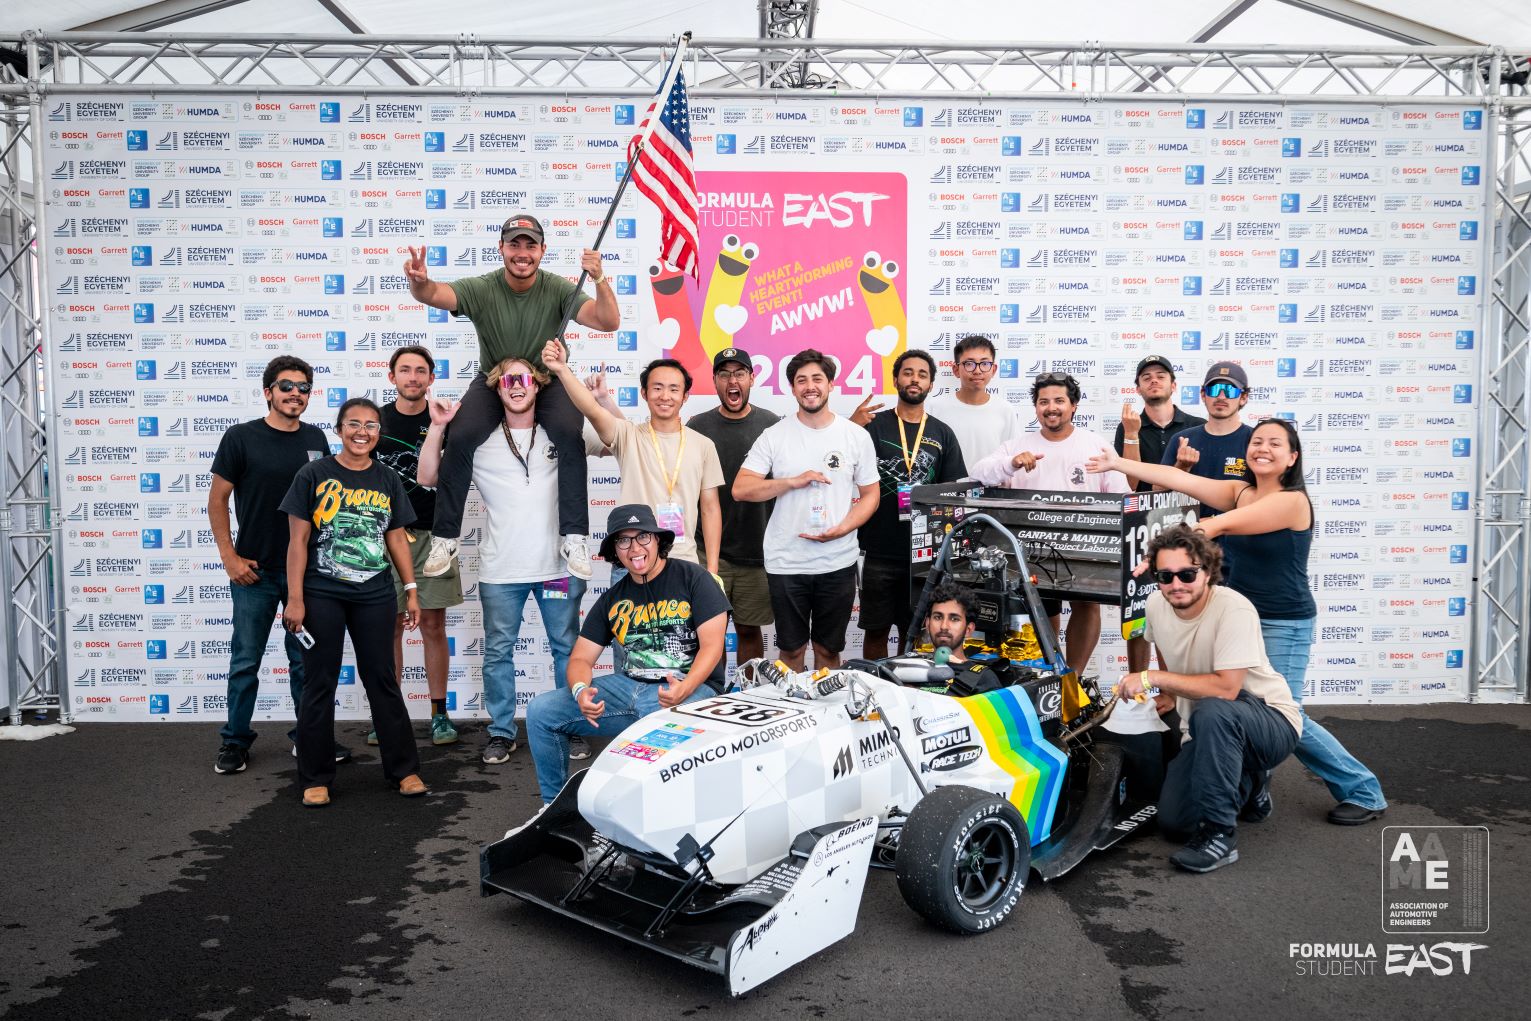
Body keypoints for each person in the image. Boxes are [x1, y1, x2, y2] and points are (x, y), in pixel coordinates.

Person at [1088, 419, 1389, 826]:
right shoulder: (1239, 491)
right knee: (1235, 710)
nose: (1262, 448)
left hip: (1282, 621)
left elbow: (1222, 523)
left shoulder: (1293, 501)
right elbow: (1175, 476)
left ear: (1292, 457)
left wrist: (1183, 539)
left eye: (1275, 444)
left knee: (1282, 713)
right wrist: (1118, 462)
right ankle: (1252, 789)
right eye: (1257, 441)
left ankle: (1362, 789)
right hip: (1235, 617)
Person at [402, 214, 620, 581]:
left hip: (548, 380)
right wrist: (419, 283)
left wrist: (598, 278)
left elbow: (608, 321)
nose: (522, 253)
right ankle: (445, 537)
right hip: (494, 379)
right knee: (462, 433)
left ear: (542, 250)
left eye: (530, 245)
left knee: (569, 433)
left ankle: (575, 537)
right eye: (514, 244)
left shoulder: (559, 289)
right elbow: (434, 294)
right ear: (501, 248)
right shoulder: (483, 287)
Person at [417, 357, 586, 766]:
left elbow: (611, 440)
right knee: (498, 653)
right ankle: (502, 731)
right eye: (507, 379)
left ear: (537, 386)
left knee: (566, 649)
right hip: (500, 570)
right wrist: (439, 427)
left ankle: (570, 726)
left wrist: (597, 400)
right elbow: (426, 478)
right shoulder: (476, 440)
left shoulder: (560, 433)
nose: (516, 385)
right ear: (496, 388)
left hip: (558, 569)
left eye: (524, 378)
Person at [1115, 526, 1300, 873]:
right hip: (1207, 728)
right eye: (1165, 576)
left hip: (1270, 721)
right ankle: (1252, 782)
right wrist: (1168, 691)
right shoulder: (1156, 603)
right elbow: (1164, 645)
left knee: (1215, 710)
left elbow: (1227, 689)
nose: (1176, 584)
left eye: (1187, 574)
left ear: (1207, 571)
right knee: (1174, 823)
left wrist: (1154, 678)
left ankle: (1220, 837)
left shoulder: (1234, 608)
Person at [523, 505, 729, 803]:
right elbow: (580, 658)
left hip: (693, 688)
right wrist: (581, 691)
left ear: (658, 541)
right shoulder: (613, 598)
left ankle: (659, 816)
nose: (634, 548)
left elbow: (713, 646)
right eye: (623, 540)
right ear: (615, 551)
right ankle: (554, 811)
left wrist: (686, 687)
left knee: (656, 727)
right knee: (542, 711)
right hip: (629, 687)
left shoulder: (694, 578)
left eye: (643, 536)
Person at [279, 398, 426, 807]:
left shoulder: (387, 478)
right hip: (322, 591)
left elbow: (396, 536)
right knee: (319, 681)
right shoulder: (313, 474)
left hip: (375, 592)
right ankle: (315, 776)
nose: (363, 432)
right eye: (354, 424)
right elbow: (298, 541)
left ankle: (404, 770)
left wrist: (411, 590)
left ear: (379, 432)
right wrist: (295, 599)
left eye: (371, 425)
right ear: (340, 429)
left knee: (382, 678)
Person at [208, 355, 348, 775]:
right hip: (254, 571)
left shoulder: (316, 437)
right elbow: (217, 501)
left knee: (305, 660)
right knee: (245, 659)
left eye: (303, 387)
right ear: (268, 391)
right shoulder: (240, 437)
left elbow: (327, 502)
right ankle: (234, 741)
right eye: (286, 386)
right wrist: (229, 557)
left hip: (305, 574)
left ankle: (308, 737)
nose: (295, 394)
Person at [969, 371, 1130, 676]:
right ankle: (1050, 672)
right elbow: (979, 473)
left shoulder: (1095, 444)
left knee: (1087, 605)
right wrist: (1011, 463)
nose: (1051, 407)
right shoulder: (1018, 445)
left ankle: (1075, 677)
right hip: (1031, 548)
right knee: (1040, 607)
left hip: (1086, 545)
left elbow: (1122, 495)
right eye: (1044, 402)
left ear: (1074, 406)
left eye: (1059, 400)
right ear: (1036, 408)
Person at [734, 350, 880, 671]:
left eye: (817, 379)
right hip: (786, 563)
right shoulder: (775, 436)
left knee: (828, 653)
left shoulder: (855, 436)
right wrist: (791, 482)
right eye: (802, 380)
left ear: (831, 384)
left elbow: (871, 495)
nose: (809, 386)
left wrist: (842, 529)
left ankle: (829, 718)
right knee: (791, 654)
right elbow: (742, 488)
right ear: (792, 387)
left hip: (837, 562)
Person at [542, 342, 723, 571]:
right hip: (631, 561)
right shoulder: (628, 435)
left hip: (683, 562)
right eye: (657, 388)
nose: (665, 396)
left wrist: (713, 570)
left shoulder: (703, 445)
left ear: (685, 396)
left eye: (674, 389)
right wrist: (562, 369)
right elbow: (592, 410)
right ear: (644, 394)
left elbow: (710, 509)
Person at [851, 349, 967, 659]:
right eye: (908, 372)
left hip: (924, 554)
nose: (914, 379)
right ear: (896, 379)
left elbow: (954, 492)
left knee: (915, 630)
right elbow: (837, 466)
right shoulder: (872, 426)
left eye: (922, 374)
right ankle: (874, 690)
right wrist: (851, 426)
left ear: (930, 384)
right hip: (877, 549)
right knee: (875, 630)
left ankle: (910, 692)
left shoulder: (942, 433)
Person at [374, 344, 461, 747]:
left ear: (430, 378)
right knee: (388, 626)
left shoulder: (445, 420)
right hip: (382, 539)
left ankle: (439, 715)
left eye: (420, 371)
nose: (413, 377)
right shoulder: (374, 421)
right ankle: (389, 715)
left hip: (433, 535)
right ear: (392, 377)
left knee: (432, 625)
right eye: (405, 370)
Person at [687, 347, 781, 665]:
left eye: (739, 373)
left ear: (751, 378)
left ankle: (749, 696)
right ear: (714, 380)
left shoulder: (772, 425)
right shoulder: (696, 426)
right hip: (707, 552)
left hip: (757, 552)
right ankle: (709, 699)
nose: (732, 380)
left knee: (749, 630)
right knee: (708, 632)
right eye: (724, 374)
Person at [1115, 354, 1204, 675]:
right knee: (1140, 608)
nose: (1154, 380)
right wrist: (1131, 433)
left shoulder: (1196, 426)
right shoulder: (1128, 426)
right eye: (1146, 376)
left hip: (1186, 527)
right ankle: (1138, 686)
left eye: (1161, 375)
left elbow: (1199, 482)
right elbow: (1133, 482)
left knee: (1180, 605)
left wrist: (1178, 473)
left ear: (1174, 384)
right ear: (1137, 388)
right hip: (1141, 527)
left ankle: (1174, 685)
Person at [927, 335, 1023, 467]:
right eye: (969, 364)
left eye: (984, 364)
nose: (977, 371)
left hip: (991, 487)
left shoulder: (1005, 410)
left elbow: (1012, 457)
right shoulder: (935, 408)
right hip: (947, 487)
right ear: (956, 370)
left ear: (993, 369)